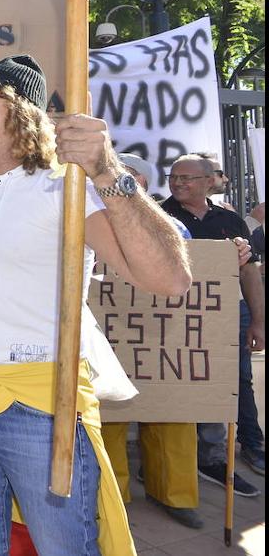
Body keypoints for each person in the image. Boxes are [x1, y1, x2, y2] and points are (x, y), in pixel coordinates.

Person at [0, 54, 191, 556]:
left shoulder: (64, 187)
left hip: (43, 402)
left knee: (63, 548)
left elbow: (169, 278)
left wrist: (105, 169)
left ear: (23, 112)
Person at [100, 151, 205, 527]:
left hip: (165, 339)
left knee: (172, 415)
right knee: (108, 414)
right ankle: (111, 497)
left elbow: (196, 266)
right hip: (110, 337)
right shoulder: (90, 219)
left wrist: (234, 255)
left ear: (144, 185)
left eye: (131, 178)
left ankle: (175, 495)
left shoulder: (171, 226)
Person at [161, 155, 267, 484]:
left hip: (227, 314)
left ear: (210, 181)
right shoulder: (159, 215)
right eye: (173, 177)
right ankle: (192, 458)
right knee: (186, 382)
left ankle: (248, 444)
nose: (178, 183)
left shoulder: (230, 221)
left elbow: (249, 273)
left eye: (187, 178)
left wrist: (258, 321)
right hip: (177, 317)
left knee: (237, 379)